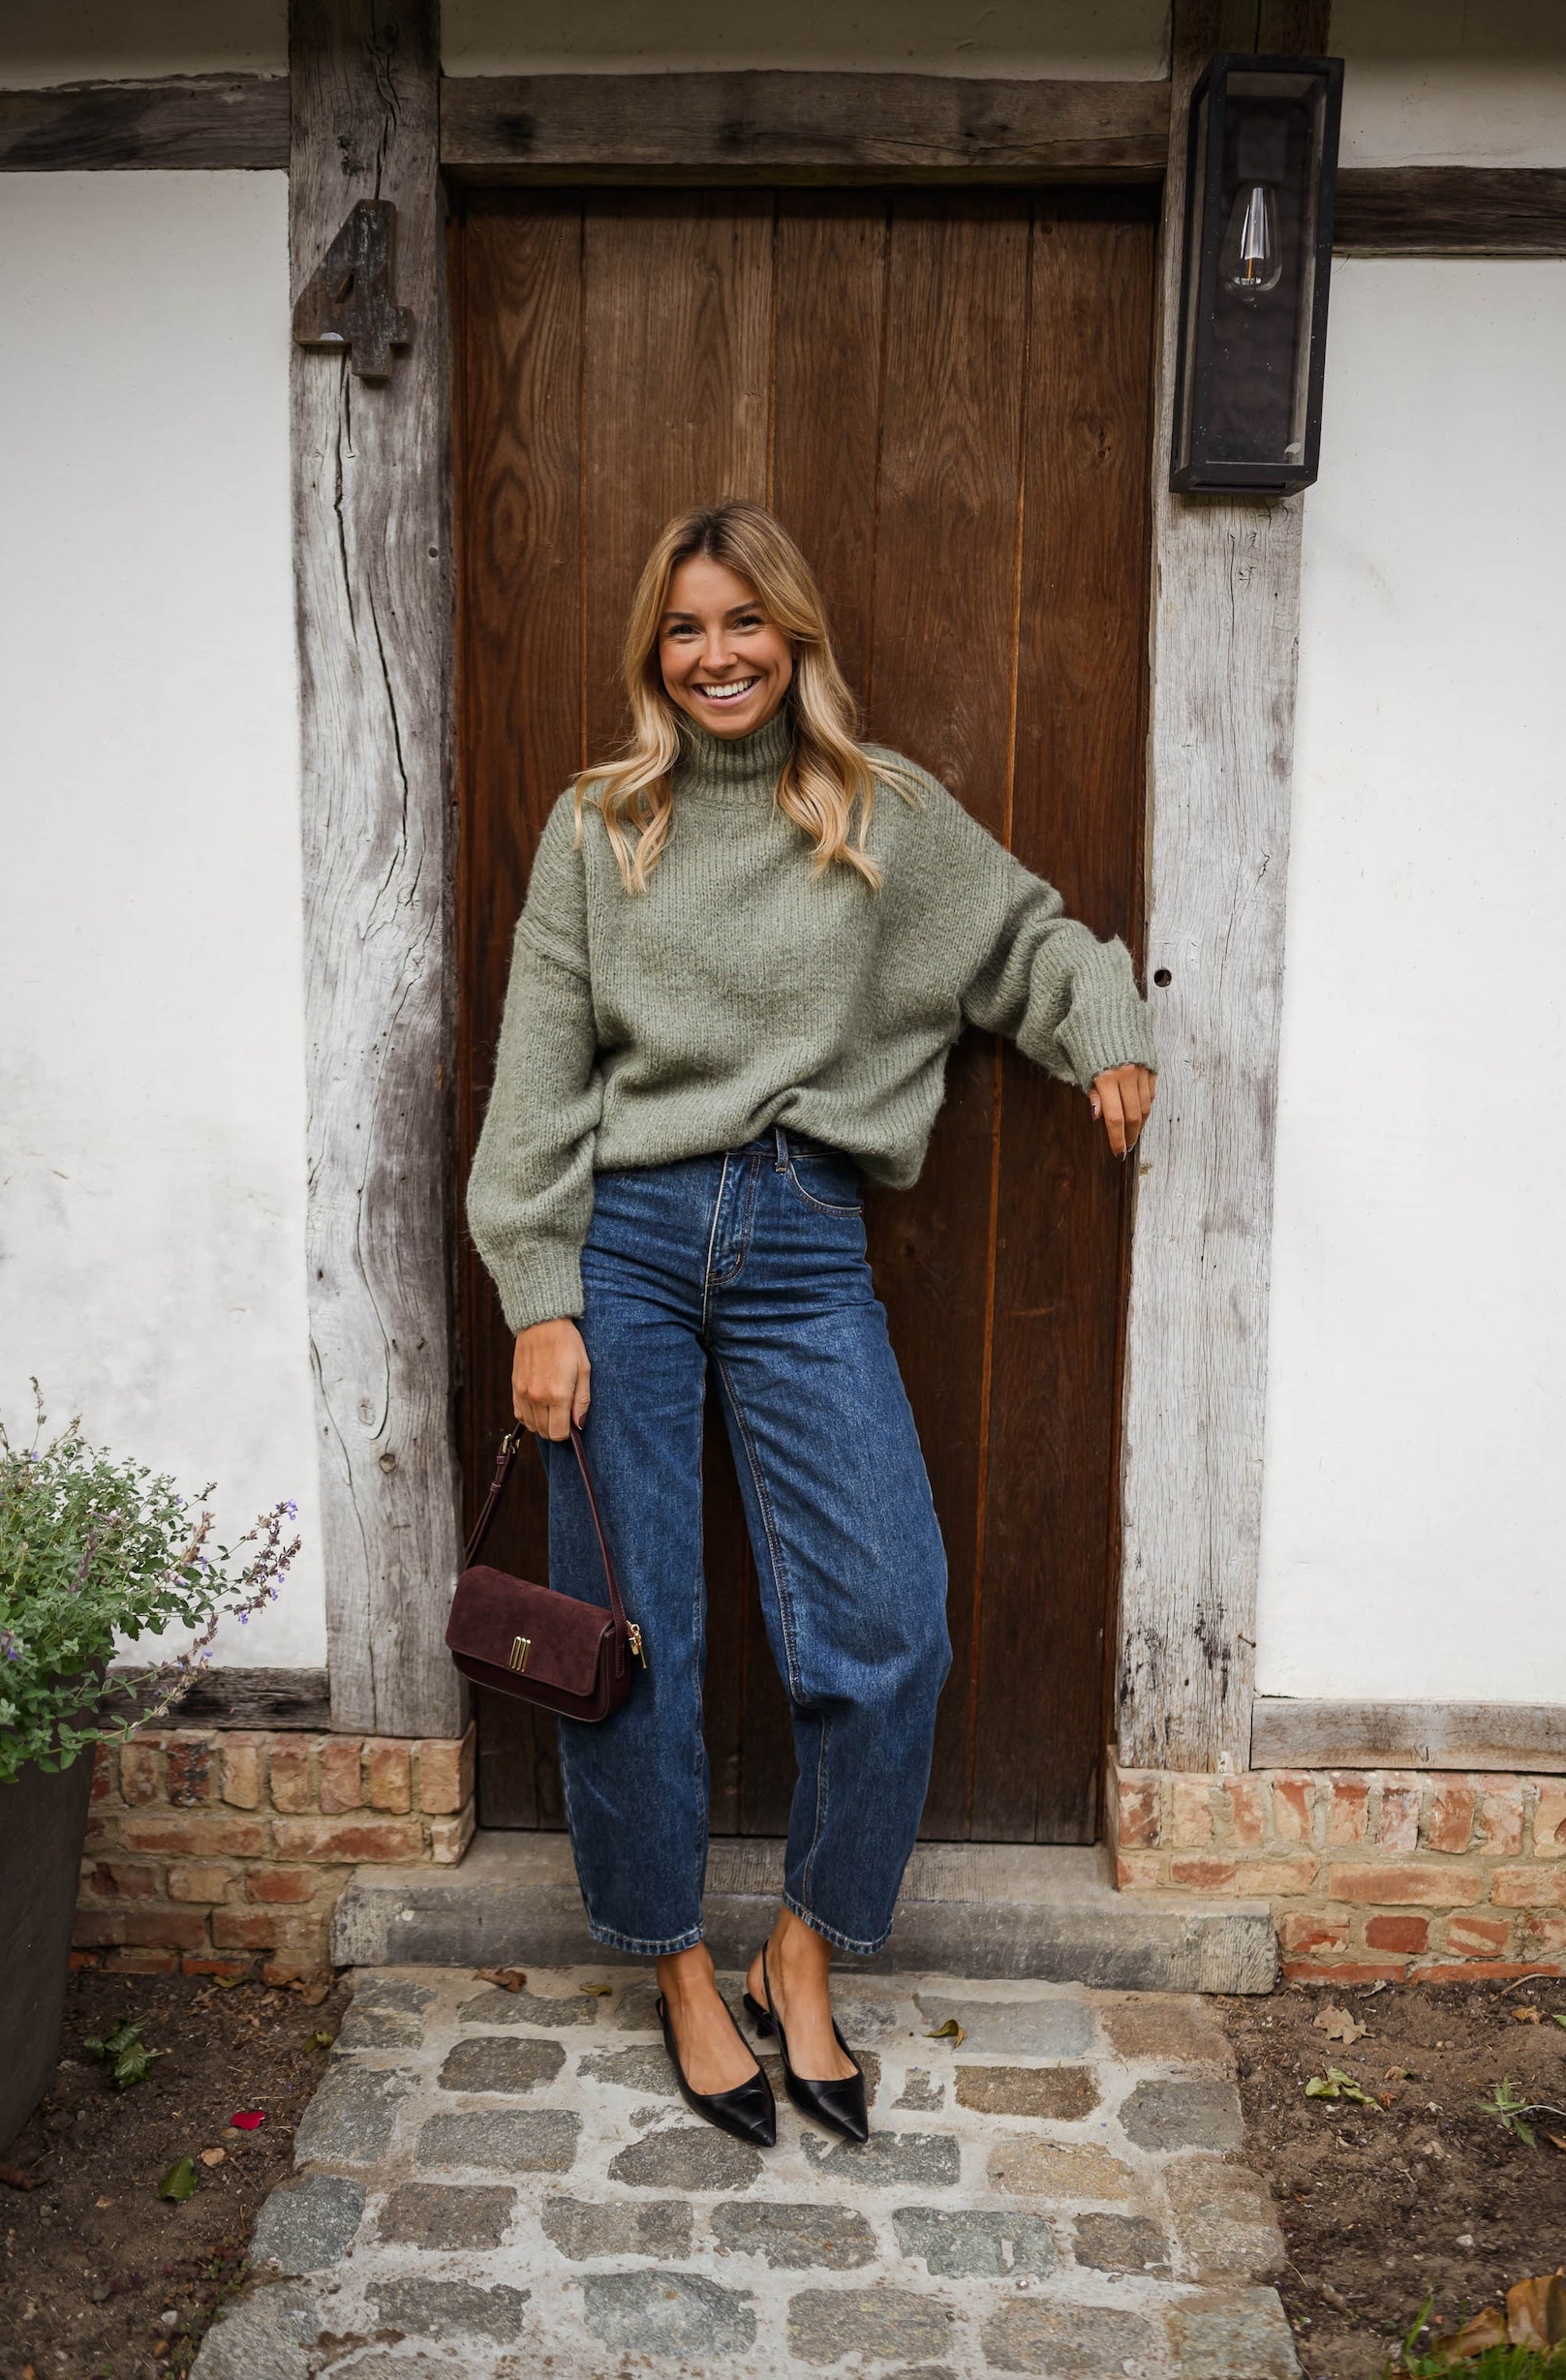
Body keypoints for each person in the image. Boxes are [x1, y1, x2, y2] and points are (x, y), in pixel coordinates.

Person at [466, 500, 1157, 2147]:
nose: (715, 655)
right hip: (626, 1242)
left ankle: (802, 1946)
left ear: (792, 637)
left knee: (890, 1614)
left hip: (800, 1238)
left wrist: (1106, 1025)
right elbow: (536, 1080)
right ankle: (675, 1966)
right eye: (684, 628)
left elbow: (1025, 939)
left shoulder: (876, 812)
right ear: (655, 650)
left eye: (743, 623)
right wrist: (539, 1296)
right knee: (632, 1628)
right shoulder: (598, 828)